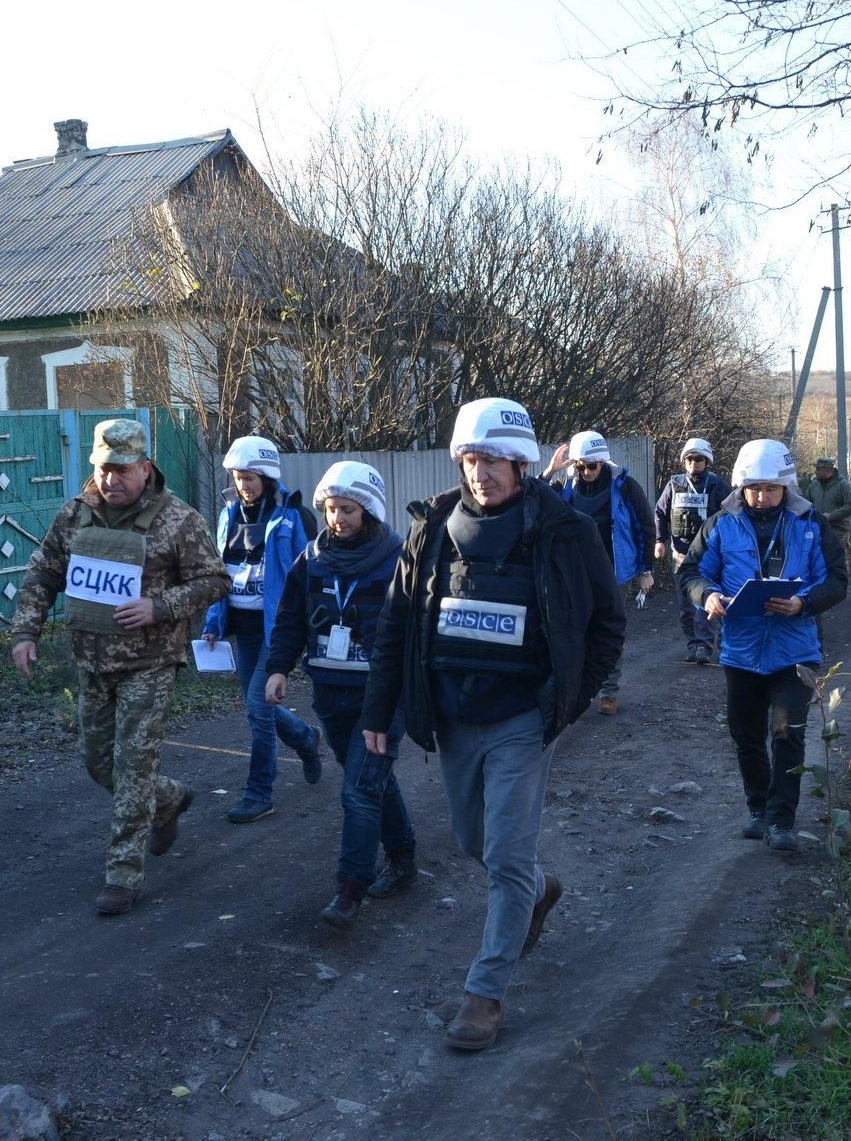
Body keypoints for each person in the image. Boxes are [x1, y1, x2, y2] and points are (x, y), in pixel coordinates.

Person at [361, 397, 625, 1052]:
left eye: (496, 460)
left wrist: (567, 702)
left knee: (505, 855)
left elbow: (607, 626)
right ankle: (539, 889)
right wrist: (378, 711)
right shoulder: (432, 528)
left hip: (521, 719)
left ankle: (485, 993)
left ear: (523, 461)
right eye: (471, 458)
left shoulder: (565, 531)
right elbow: (396, 622)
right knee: (475, 841)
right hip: (452, 715)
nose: (483, 472)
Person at [10, 419, 229, 917]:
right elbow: (42, 574)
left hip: (150, 663)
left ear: (144, 467)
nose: (112, 480)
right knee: (98, 762)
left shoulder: (178, 520)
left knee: (132, 767)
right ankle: (169, 798)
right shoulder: (75, 516)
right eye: (104, 469)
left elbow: (214, 581)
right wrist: (26, 633)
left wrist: (160, 606)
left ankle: (122, 875)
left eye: (122, 470)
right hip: (91, 661)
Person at [265, 461, 417, 930]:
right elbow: (290, 617)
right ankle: (404, 856)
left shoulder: (398, 560)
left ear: (368, 509)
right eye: (331, 509)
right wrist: (277, 668)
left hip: (383, 696)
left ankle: (350, 889)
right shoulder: (310, 559)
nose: (337, 519)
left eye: (347, 509)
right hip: (331, 694)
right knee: (369, 780)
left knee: (358, 793)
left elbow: (416, 629)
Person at [679, 439, 847, 853]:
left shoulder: (811, 523)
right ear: (741, 485)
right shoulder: (720, 523)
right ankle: (758, 809)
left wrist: (803, 603)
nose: (762, 496)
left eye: (771, 488)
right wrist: (709, 597)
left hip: (796, 651)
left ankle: (781, 820)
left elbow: (837, 581)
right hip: (740, 651)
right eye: (754, 487)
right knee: (747, 735)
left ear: (786, 486)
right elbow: (692, 574)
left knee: (787, 734)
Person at [201, 436, 323, 824]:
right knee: (261, 708)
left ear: (268, 476)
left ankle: (259, 793)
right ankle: (305, 737)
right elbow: (219, 573)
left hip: (278, 630)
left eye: (250, 477)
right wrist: (213, 621)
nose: (243, 485)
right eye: (238, 477)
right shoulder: (228, 515)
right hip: (244, 629)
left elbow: (308, 574)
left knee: (257, 709)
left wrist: (305, 626)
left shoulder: (293, 516)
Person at [542, 430, 656, 714]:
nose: (586, 471)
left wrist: (646, 570)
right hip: (575, 574)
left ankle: (609, 693)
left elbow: (645, 526)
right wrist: (549, 472)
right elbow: (532, 499)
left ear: (603, 462)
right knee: (574, 632)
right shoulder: (566, 487)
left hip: (615, 573)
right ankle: (577, 692)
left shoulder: (625, 486)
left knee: (609, 632)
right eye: (580, 466)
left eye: (591, 466)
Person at [652, 438, 733, 663]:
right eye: (689, 459)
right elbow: (660, 512)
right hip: (680, 554)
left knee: (705, 601)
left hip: (709, 557)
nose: (693, 463)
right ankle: (693, 644)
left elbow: (732, 515)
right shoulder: (674, 484)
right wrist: (660, 540)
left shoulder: (718, 485)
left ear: (706, 461)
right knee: (685, 606)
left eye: (698, 459)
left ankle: (704, 647)